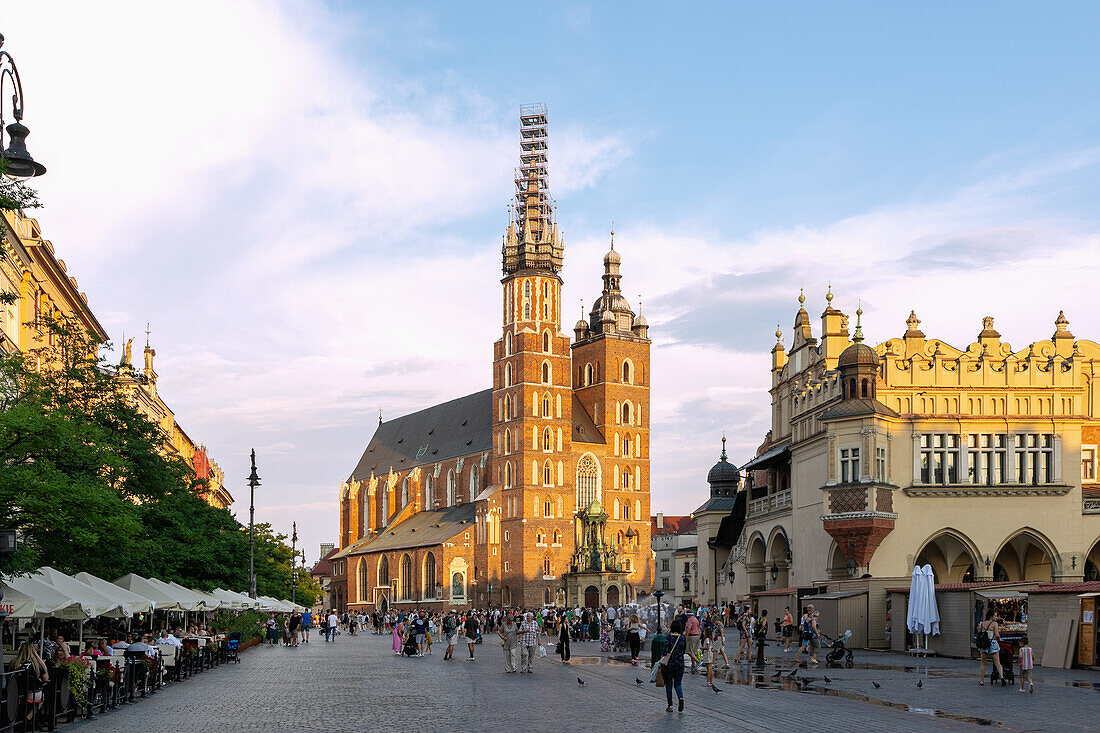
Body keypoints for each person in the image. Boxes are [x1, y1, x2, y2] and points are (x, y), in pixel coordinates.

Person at [9, 641, 49, 728]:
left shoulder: (14, 663)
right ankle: (28, 718)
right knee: (42, 699)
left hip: (17, 693)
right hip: (33, 694)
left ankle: (17, 719)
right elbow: (45, 679)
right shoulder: (38, 663)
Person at [662, 619, 687, 713]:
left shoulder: (669, 637)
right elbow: (684, 651)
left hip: (669, 664)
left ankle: (670, 705)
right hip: (680, 663)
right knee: (678, 683)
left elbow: (665, 651)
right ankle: (680, 698)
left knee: (669, 684)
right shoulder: (682, 638)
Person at [977, 608, 1004, 686]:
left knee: (983, 663)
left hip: (984, 644)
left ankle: (982, 680)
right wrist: (999, 639)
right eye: (995, 616)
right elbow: (997, 635)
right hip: (992, 643)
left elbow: (979, 633)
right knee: (997, 663)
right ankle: (1002, 677)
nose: (996, 617)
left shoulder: (981, 623)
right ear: (991, 616)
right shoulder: (994, 624)